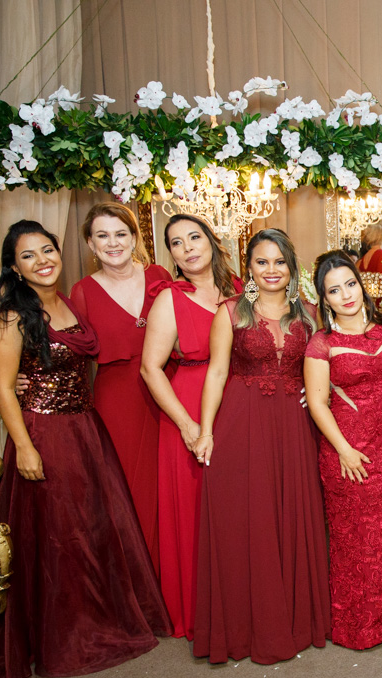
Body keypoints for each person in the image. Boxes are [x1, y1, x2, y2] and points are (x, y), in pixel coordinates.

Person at [0, 220, 169, 678]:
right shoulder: (12, 316)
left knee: (93, 526)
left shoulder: (65, 302)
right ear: (14, 267)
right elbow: (3, 387)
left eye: (47, 250)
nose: (42, 261)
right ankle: (67, 634)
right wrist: (25, 447)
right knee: (60, 535)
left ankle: (101, 618)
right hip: (45, 433)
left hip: (85, 426)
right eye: (28, 256)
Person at [192, 229, 330, 664]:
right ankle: (250, 626)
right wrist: (206, 431)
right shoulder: (231, 311)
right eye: (262, 262)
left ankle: (296, 620)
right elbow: (217, 373)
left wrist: (319, 392)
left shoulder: (309, 314)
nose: (271, 270)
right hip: (243, 423)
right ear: (248, 267)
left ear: (292, 266)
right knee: (249, 520)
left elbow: (327, 365)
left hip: (295, 426)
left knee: (292, 513)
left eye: (279, 262)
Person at [305, 251, 382, 649]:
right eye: (334, 290)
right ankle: (359, 627)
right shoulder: (321, 343)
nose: (346, 295)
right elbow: (317, 403)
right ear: (324, 299)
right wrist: (343, 449)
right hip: (346, 450)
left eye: (350, 284)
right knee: (356, 541)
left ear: (361, 285)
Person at [140, 214, 237, 640]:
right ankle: (200, 611)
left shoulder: (244, 289)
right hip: (189, 406)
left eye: (194, 237)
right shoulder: (169, 299)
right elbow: (150, 368)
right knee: (195, 513)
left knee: (236, 508)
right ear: (172, 256)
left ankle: (239, 601)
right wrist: (185, 424)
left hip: (239, 405)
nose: (188, 248)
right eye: (176, 243)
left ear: (212, 241)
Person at [70, 202, 171, 570]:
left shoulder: (160, 276)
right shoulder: (82, 292)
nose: (113, 243)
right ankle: (138, 580)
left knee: (170, 486)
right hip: (117, 405)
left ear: (133, 238)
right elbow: (69, 354)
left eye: (120, 234)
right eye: (102, 236)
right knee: (127, 491)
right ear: (91, 244)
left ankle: (174, 577)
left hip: (169, 395)